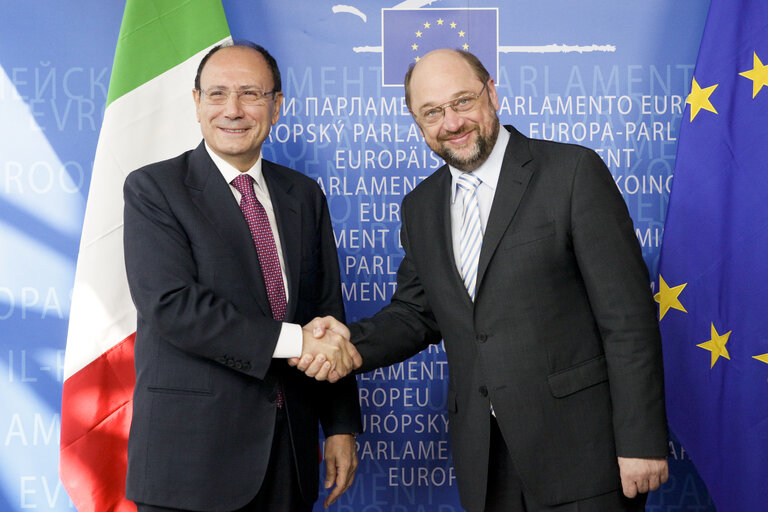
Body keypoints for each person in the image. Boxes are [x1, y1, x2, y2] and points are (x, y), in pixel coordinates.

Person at [298, 49, 669, 512]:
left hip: (583, 453)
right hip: (485, 460)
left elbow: (628, 319)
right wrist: (347, 343)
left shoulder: (571, 173)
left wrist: (641, 440)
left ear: (491, 93)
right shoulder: (421, 207)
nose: (451, 122)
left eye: (462, 102)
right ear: (416, 121)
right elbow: (416, 314)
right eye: (432, 112)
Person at [123, 41, 362, 512]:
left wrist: (338, 426)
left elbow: (326, 312)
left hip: (288, 456)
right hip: (190, 461)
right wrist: (298, 342)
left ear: (276, 106)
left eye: (251, 94)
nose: (232, 110)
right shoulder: (154, 189)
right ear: (196, 104)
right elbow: (173, 306)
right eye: (216, 94)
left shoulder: (304, 194)